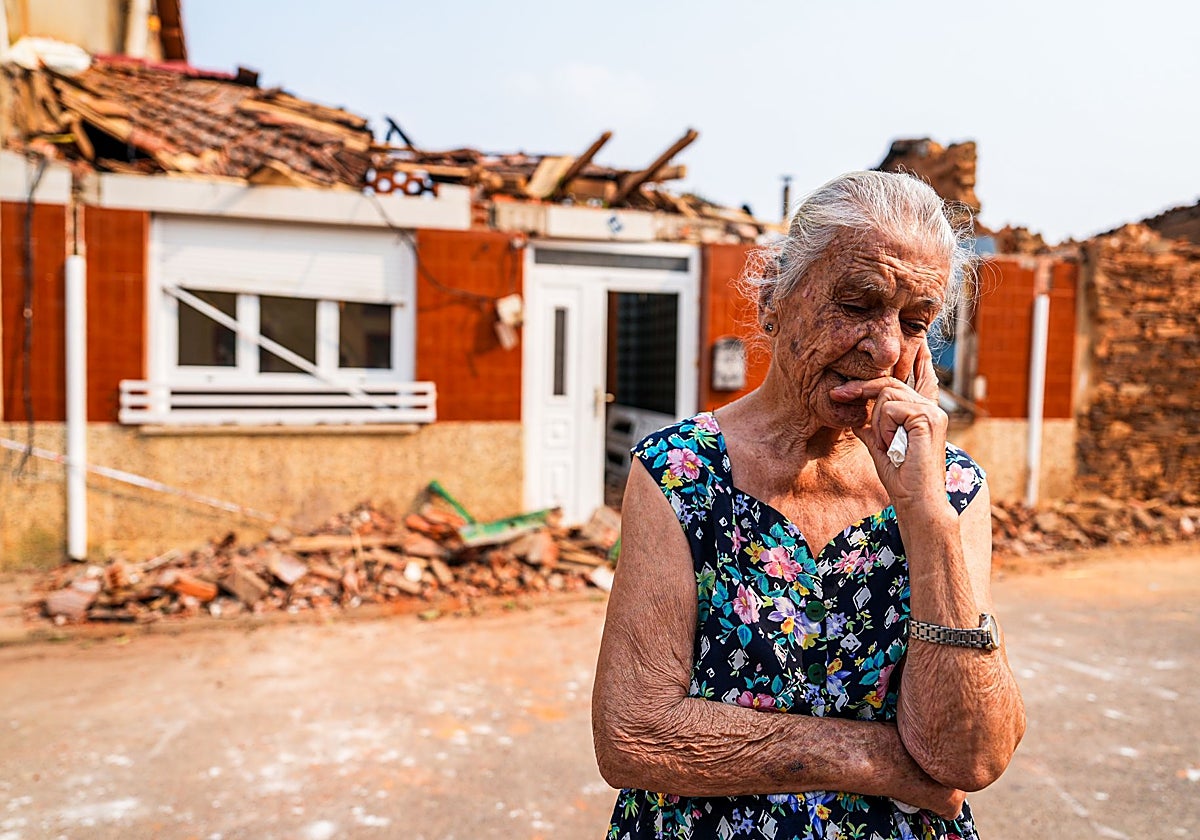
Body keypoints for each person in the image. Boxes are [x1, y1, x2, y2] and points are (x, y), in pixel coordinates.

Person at [591, 170, 1025, 840]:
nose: (885, 348)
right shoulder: (681, 472)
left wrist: (927, 519)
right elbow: (634, 735)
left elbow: (971, 757)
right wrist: (879, 761)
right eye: (857, 305)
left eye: (915, 323)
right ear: (773, 299)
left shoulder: (950, 488)